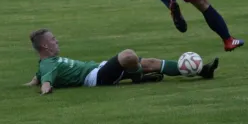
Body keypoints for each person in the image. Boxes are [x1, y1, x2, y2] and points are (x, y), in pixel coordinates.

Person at [24, 29, 220, 95]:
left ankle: (203, 71)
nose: (56, 41)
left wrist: (31, 84)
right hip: (96, 78)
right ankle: (138, 78)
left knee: (149, 61)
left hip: (98, 68)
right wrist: (45, 90)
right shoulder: (48, 64)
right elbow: (46, 82)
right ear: (45, 48)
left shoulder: (47, 64)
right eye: (52, 40)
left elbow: (39, 78)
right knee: (128, 55)